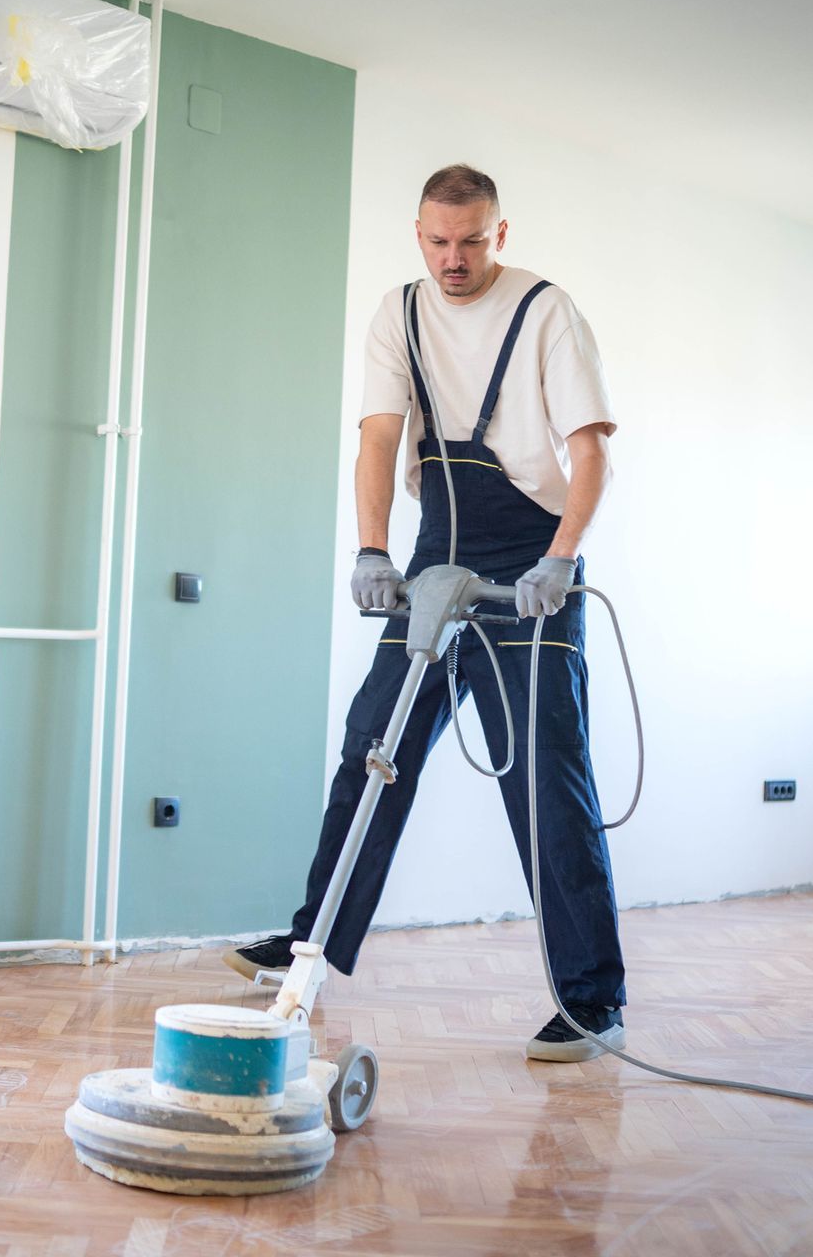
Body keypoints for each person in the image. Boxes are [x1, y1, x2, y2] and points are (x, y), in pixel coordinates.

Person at [225, 164, 627, 1062]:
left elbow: (590, 451)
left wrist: (559, 562)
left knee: (547, 783)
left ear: (501, 234)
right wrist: (372, 549)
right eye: (440, 242)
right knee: (374, 747)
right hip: (439, 551)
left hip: (531, 564)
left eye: (473, 241)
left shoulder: (546, 311)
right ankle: (311, 946)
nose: (455, 259)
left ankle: (593, 1000)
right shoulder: (398, 312)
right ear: (418, 234)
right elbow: (377, 436)